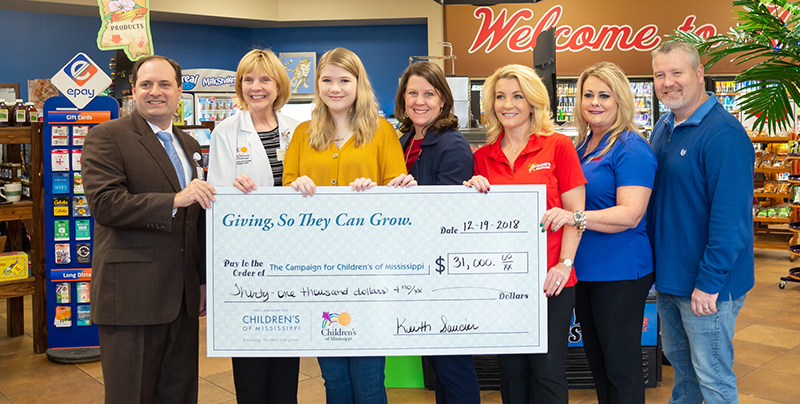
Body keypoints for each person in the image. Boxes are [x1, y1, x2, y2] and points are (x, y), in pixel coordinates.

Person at [282, 47, 415, 404]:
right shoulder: (302, 134)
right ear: (318, 85)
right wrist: (296, 188)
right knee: (334, 379)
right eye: (327, 80)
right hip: (318, 271)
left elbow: (398, 194)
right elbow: (284, 197)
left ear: (359, 84)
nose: (335, 88)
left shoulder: (382, 132)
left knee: (370, 377)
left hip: (369, 271)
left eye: (344, 80)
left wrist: (379, 192)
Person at [82, 55, 217, 404]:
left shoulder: (188, 145)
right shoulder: (107, 136)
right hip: (131, 297)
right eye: (146, 84)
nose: (155, 92)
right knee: (132, 395)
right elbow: (106, 204)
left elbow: (195, 219)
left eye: (164, 84)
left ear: (179, 90)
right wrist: (174, 199)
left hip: (182, 298)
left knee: (179, 392)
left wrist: (201, 280)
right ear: (133, 90)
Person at [463, 64, 586, 404]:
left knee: (547, 372)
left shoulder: (558, 146)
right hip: (505, 283)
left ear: (533, 102)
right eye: (500, 96)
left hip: (552, 279)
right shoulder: (482, 157)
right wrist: (471, 192)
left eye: (517, 96)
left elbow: (576, 215)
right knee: (513, 372)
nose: (508, 104)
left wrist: (564, 264)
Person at [648, 41, 754, 404]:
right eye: (660, 74)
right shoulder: (664, 127)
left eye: (677, 72)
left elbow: (732, 222)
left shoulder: (724, 134)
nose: (668, 82)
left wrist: (708, 284)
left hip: (707, 288)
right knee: (684, 373)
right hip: (671, 281)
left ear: (699, 74)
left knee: (714, 379)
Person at [206, 48, 301, 403]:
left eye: (264, 79)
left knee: (285, 351)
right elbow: (216, 193)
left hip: (291, 256)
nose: (256, 87)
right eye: (248, 79)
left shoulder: (299, 130)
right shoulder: (226, 131)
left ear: (279, 85)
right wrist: (234, 190)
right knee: (250, 351)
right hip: (246, 260)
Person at [568, 62, 656, 404]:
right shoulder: (584, 145)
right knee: (599, 364)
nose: (594, 102)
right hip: (585, 272)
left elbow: (630, 215)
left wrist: (573, 217)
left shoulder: (631, 147)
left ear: (620, 99)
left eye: (604, 95)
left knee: (622, 367)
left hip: (621, 272)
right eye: (588, 94)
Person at [394, 61, 479, 404]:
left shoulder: (451, 144)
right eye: (412, 93)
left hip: (443, 276)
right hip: (416, 271)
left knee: (454, 367)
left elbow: (452, 217)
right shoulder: (404, 140)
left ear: (443, 100)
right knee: (439, 367)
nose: (420, 101)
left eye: (429, 94)